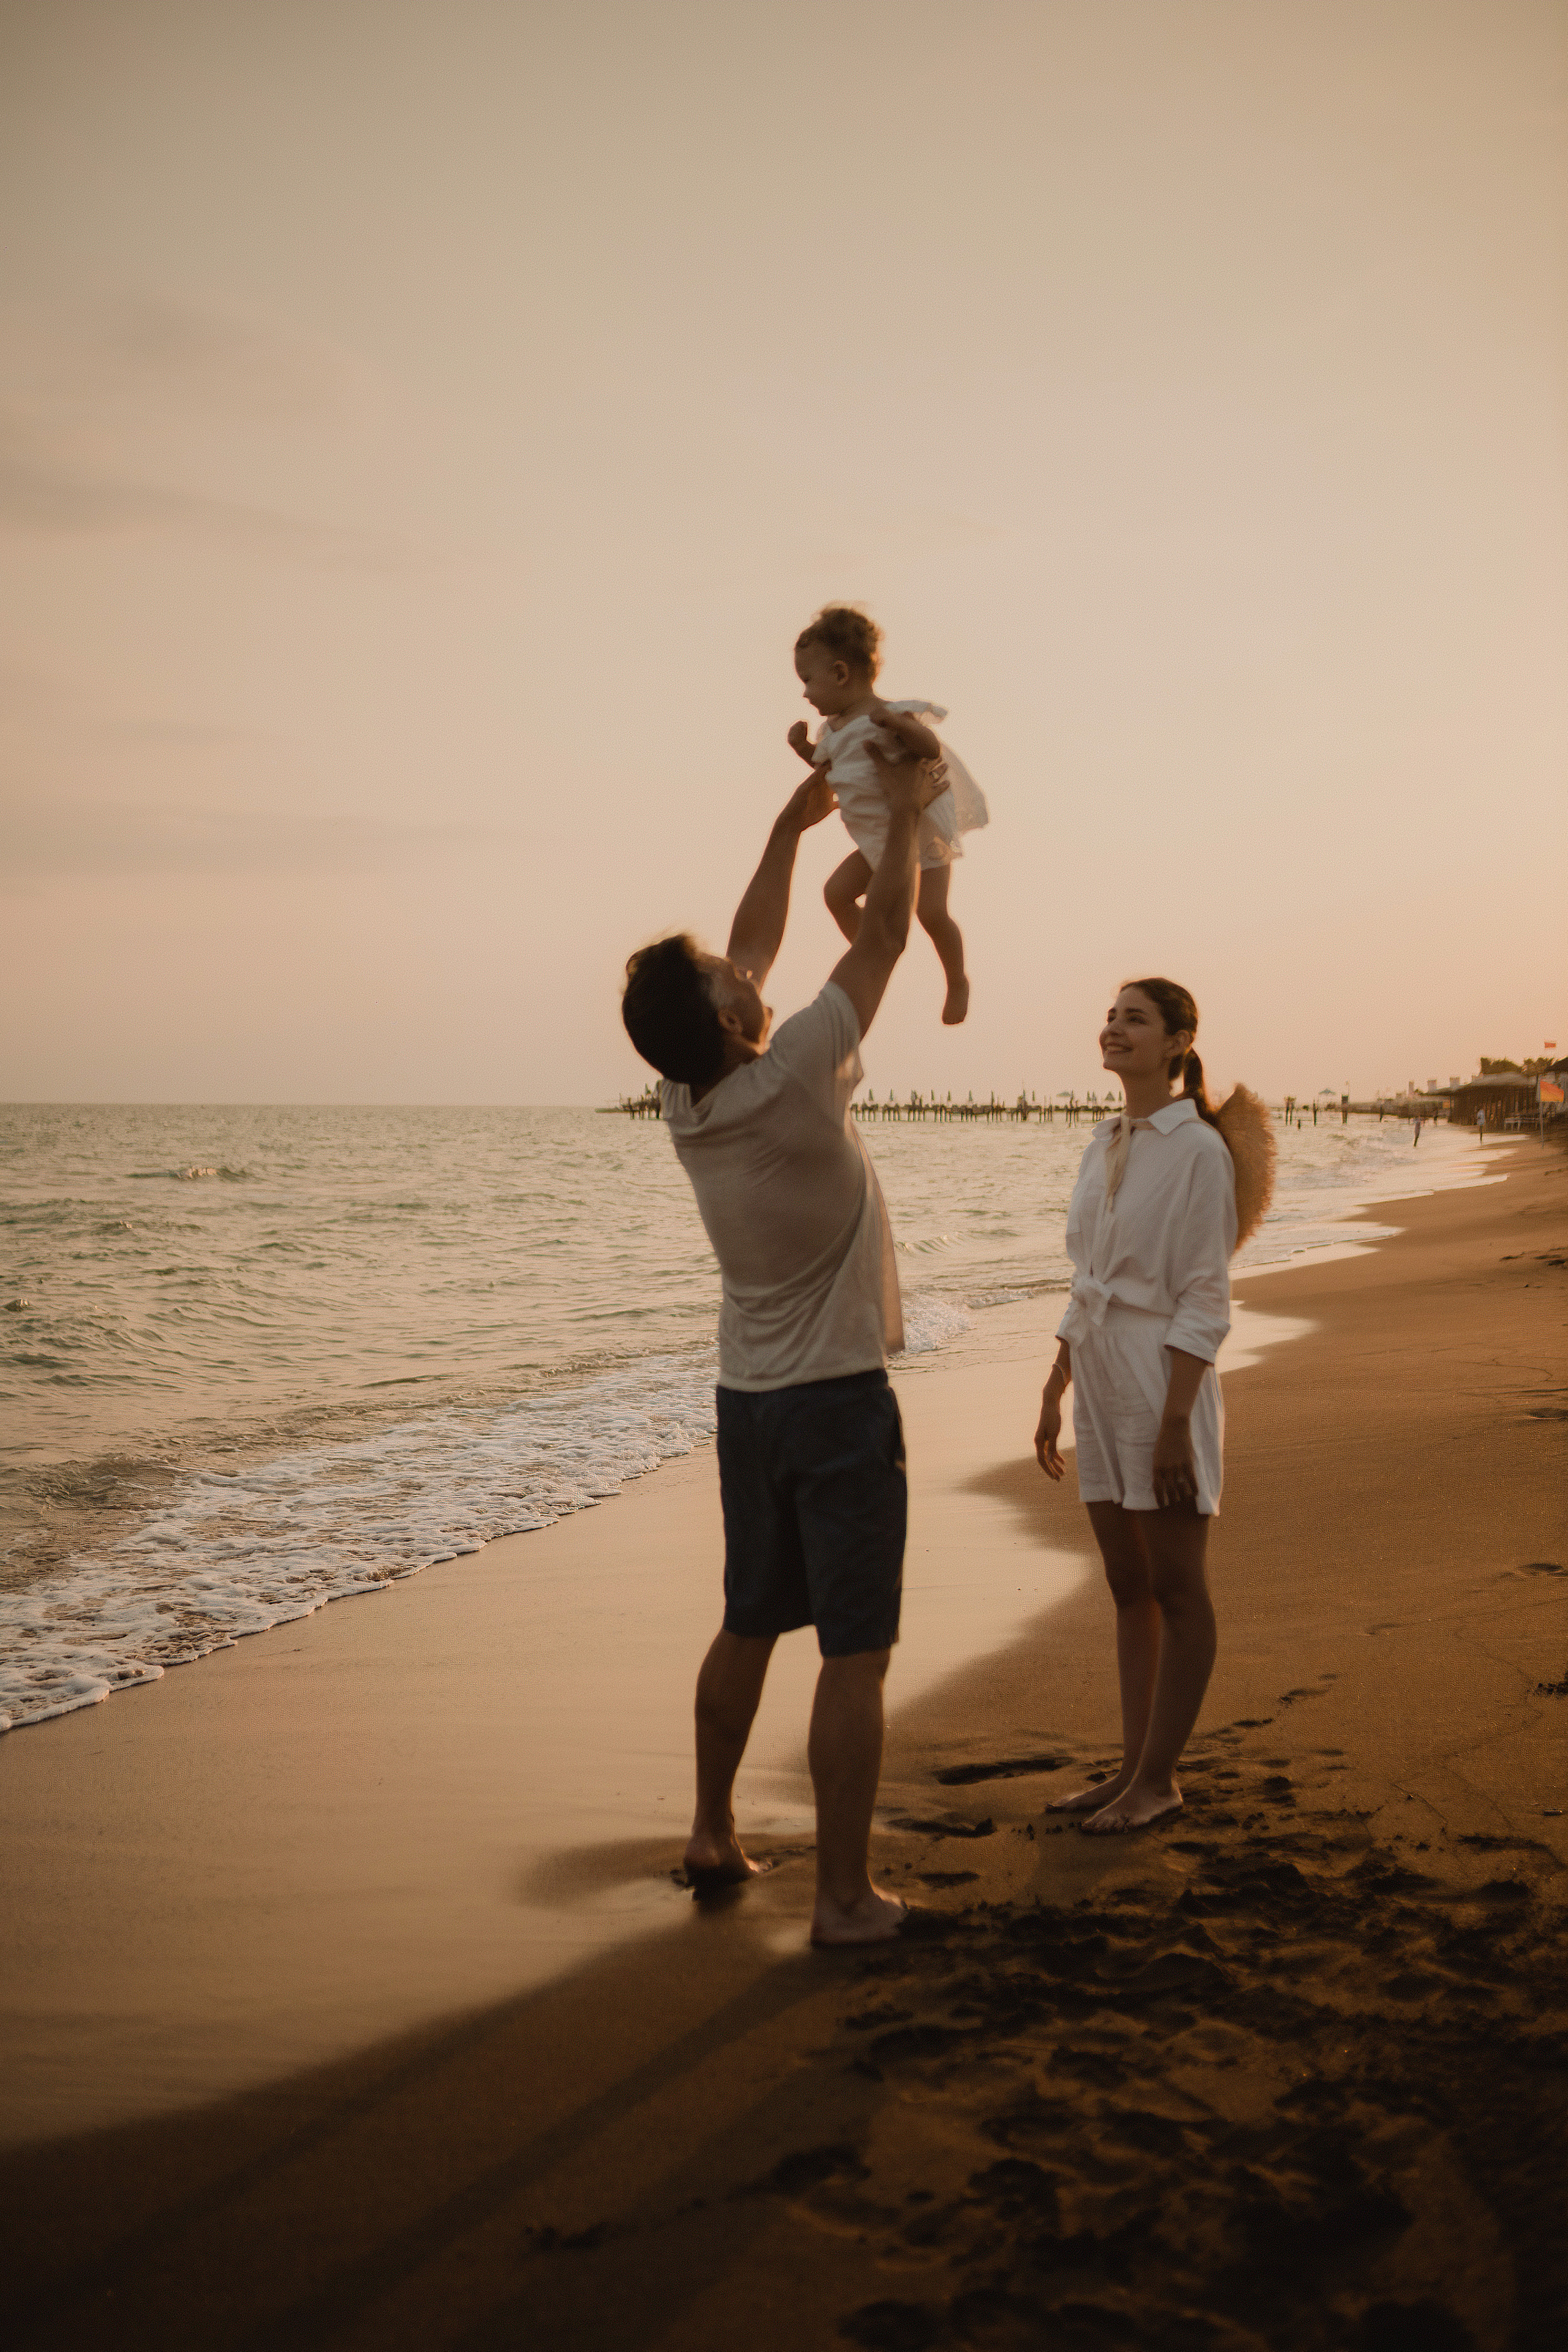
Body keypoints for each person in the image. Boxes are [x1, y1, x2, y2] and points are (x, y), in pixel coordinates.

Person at [620, 744, 934, 1945]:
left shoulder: (687, 1099)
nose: (741, 968)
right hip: (836, 1406)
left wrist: (789, 828)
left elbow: (746, 955)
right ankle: (845, 1901)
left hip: (746, 1404)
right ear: (727, 1017)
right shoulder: (798, 1071)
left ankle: (710, 1829)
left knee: (748, 1617)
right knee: (853, 1653)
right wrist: (900, 816)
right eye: (723, 976)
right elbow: (887, 934)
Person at [1033, 979, 1273, 1833]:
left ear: (1178, 1042)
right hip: (1098, 1370)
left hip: (1159, 1375)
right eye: (1110, 1016)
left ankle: (1159, 1779)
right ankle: (1130, 1768)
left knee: (1178, 1586)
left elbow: (1205, 1298)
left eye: (1134, 1019)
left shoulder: (1199, 1150)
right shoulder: (1104, 1142)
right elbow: (1088, 1275)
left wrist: (1176, 1422)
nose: (1113, 1028)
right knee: (1127, 1584)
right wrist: (1057, 1380)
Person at [788, 605, 987, 1027]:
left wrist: (899, 726)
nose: (805, 694)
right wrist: (804, 749)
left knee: (932, 913)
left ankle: (957, 980)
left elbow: (931, 749)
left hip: (920, 830)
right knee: (836, 894)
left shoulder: (889, 716)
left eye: (808, 681)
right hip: (877, 840)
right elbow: (829, 771)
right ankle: (873, 953)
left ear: (842, 674)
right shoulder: (834, 733)